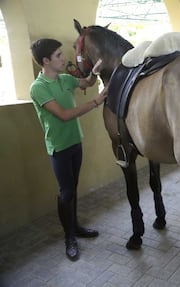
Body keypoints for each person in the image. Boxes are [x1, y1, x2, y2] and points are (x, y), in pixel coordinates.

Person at [30, 38, 107, 261]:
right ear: (45, 61)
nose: (64, 59)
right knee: (66, 192)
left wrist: (94, 72)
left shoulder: (65, 79)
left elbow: (87, 84)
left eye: (62, 54)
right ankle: (69, 237)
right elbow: (63, 115)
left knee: (73, 188)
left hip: (75, 142)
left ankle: (76, 227)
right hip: (59, 148)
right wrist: (96, 102)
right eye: (58, 56)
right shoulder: (39, 88)